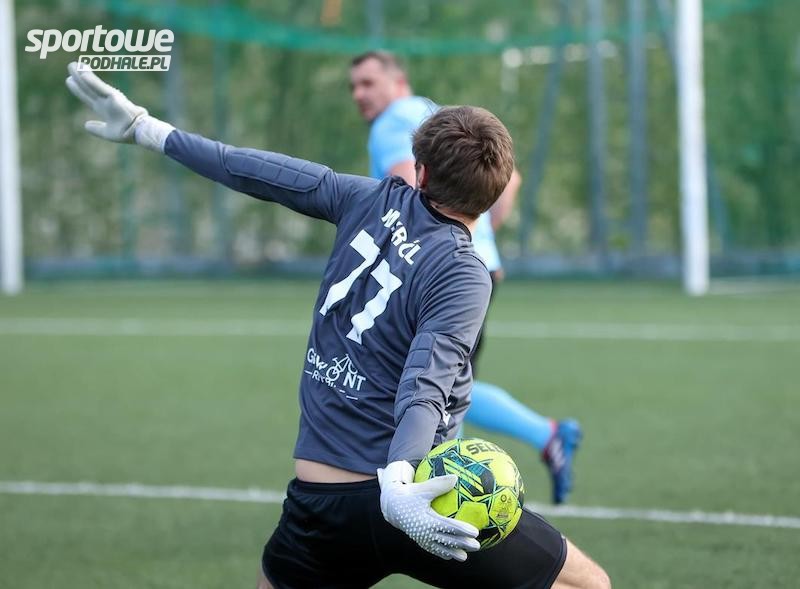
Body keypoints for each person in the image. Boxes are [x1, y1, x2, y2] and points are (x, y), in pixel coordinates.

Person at [66, 63, 610, 589]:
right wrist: (400, 480)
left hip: (322, 503)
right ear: (493, 196)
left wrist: (149, 130)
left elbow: (251, 168)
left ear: (420, 173)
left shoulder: (367, 197)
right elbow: (428, 379)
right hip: (420, 500)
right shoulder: (465, 271)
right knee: (589, 584)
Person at [350, 50, 583, 505]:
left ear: (398, 82)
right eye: (354, 85)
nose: (359, 93)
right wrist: (480, 234)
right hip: (479, 267)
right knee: (446, 383)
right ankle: (545, 436)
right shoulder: (437, 115)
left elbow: (408, 196)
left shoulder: (393, 125)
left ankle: (440, 495)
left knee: (427, 389)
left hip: (438, 274)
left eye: (368, 82)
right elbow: (509, 181)